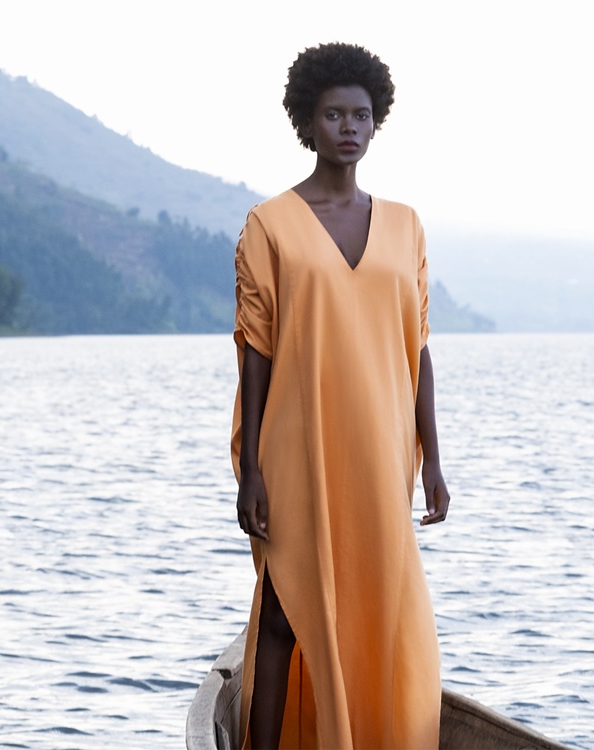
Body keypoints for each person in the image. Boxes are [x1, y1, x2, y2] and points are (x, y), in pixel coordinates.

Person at [231, 42, 450, 750]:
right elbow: (255, 352)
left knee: (379, 605)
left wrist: (435, 462)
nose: (349, 127)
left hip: (383, 451)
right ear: (308, 121)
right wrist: (253, 471)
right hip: (296, 448)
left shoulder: (406, 225)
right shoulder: (270, 225)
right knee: (283, 614)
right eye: (333, 114)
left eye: (361, 115)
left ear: (375, 122)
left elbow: (418, 349)